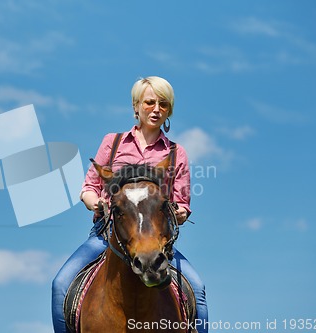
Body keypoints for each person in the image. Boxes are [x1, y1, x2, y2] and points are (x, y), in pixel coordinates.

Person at [52, 76, 208, 333]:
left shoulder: (175, 153)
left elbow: (182, 202)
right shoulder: (112, 143)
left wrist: (179, 213)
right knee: (60, 285)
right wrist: (96, 203)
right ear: (136, 107)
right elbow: (88, 188)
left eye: (163, 104)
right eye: (149, 102)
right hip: (107, 236)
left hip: (157, 242)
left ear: (169, 110)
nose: (156, 109)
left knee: (198, 290)